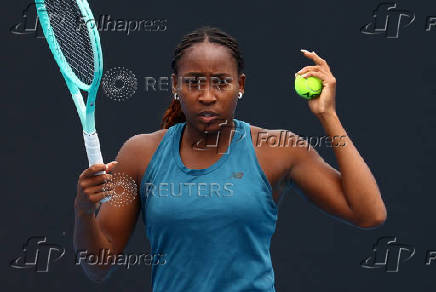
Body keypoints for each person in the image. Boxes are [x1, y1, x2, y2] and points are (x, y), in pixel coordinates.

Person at [73, 26, 387, 291]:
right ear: (175, 86)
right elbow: (98, 266)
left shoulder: (278, 149)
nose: (207, 95)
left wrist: (328, 115)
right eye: (193, 82)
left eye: (221, 82)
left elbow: (368, 213)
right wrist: (84, 211)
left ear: (241, 86)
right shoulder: (138, 154)